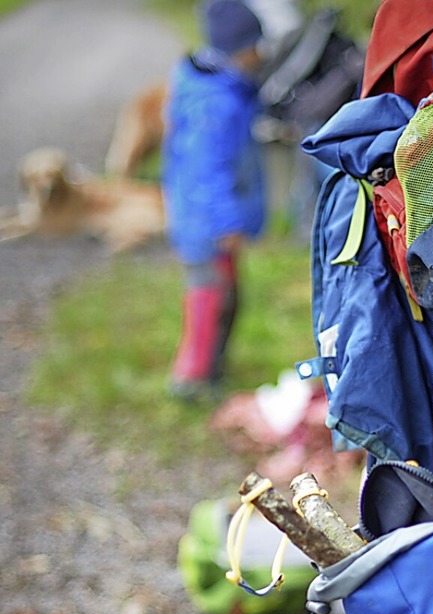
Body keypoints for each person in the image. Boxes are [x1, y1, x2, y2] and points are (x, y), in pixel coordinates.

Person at [162, 0, 266, 399]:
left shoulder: (219, 87)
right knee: (209, 298)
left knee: (227, 296)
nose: (263, 53)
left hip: (206, 219)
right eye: (257, 44)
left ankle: (212, 370)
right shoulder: (215, 102)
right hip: (207, 224)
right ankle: (191, 379)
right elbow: (209, 170)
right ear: (239, 49)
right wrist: (226, 224)